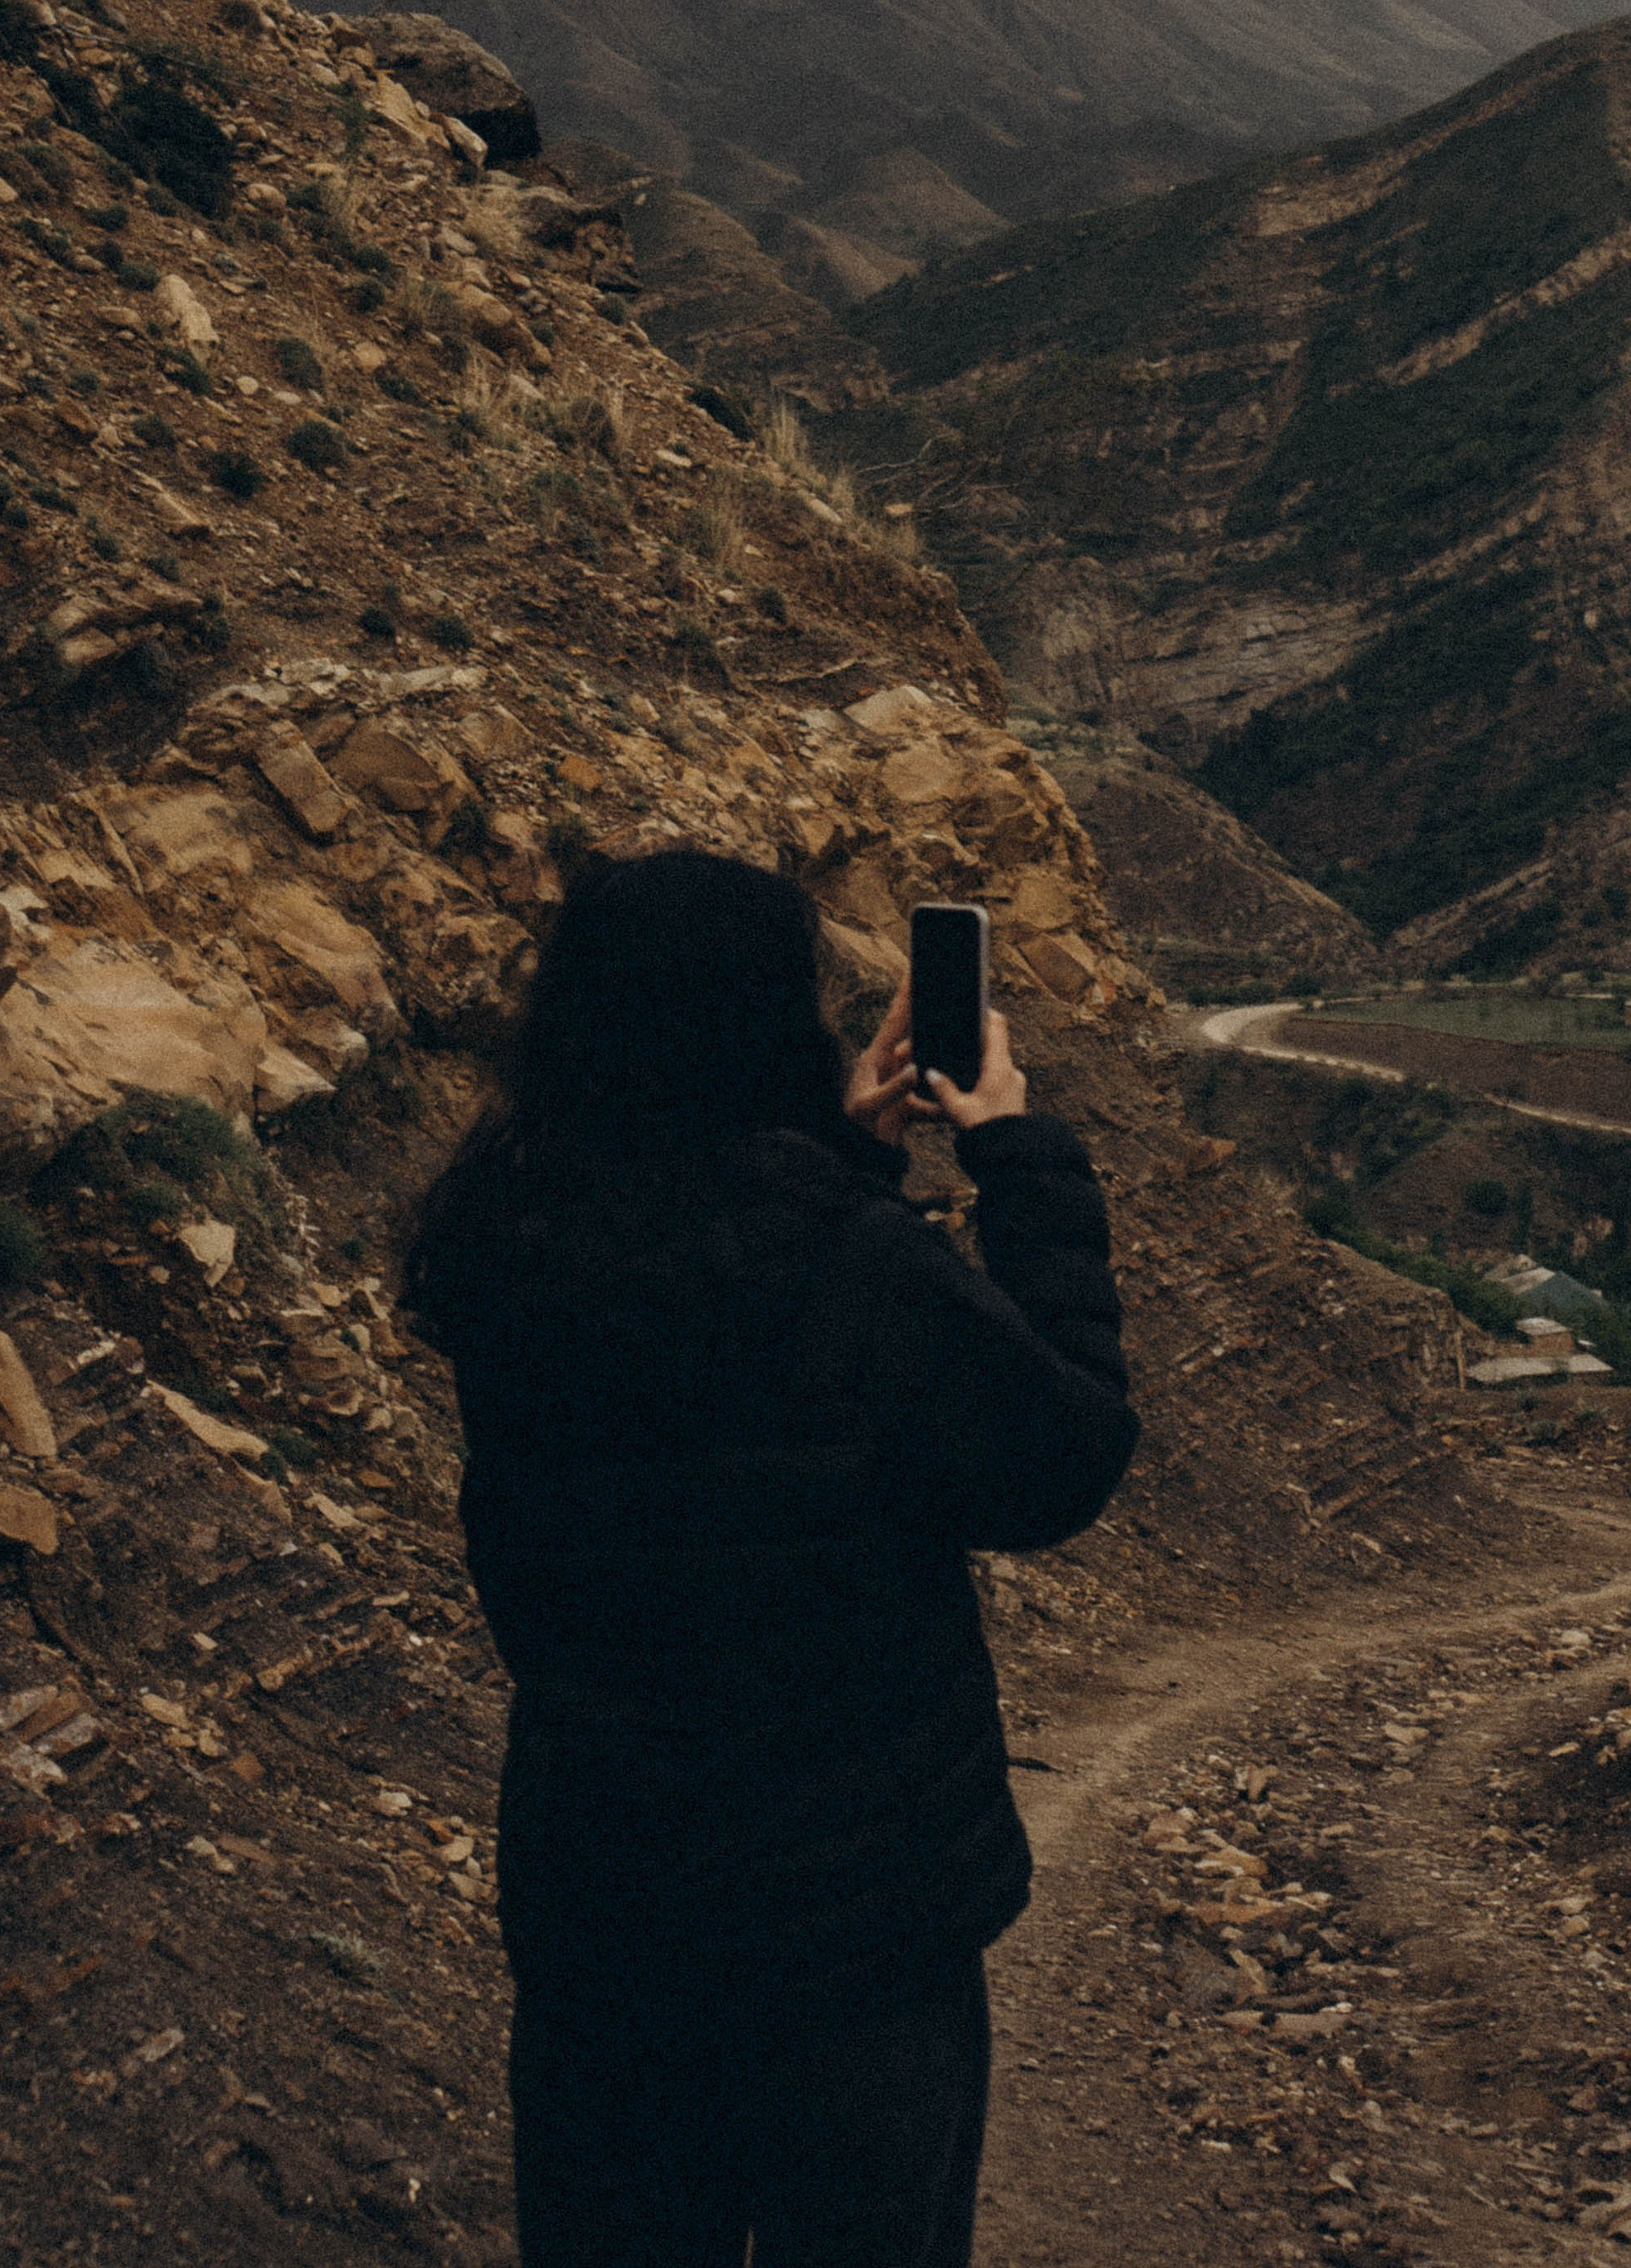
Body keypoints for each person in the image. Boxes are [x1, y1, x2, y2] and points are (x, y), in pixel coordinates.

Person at [406, 845, 1137, 2268]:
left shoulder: (504, 1245)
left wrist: (844, 1154)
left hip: (604, 1910)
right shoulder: (848, 1263)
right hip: (854, 1940)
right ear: (767, 1018)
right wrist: (1012, 1152)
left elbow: (689, 1363)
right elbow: (1063, 1455)